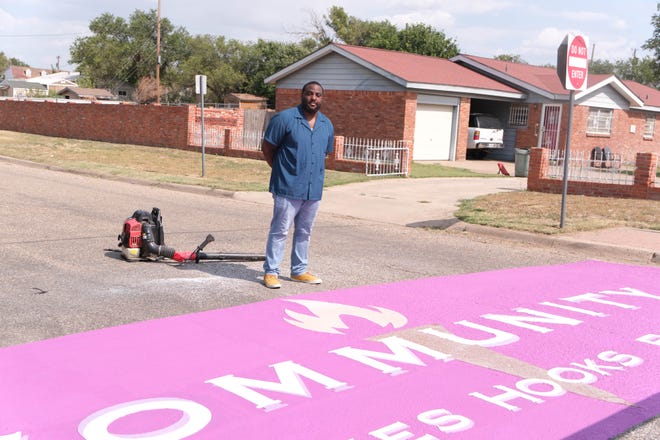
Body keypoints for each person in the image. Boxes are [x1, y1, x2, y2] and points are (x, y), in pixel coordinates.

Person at [261, 81, 335, 289]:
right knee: (280, 230)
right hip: (287, 186)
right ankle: (271, 271)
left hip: (313, 189)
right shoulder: (284, 119)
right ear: (302, 95)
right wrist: (280, 171)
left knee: (304, 231)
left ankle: (299, 270)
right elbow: (267, 147)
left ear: (322, 98)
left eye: (318, 95)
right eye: (310, 94)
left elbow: (324, 154)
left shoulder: (326, 124)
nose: (314, 98)